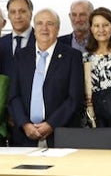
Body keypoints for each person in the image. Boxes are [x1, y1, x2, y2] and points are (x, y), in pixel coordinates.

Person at [7, 9, 84, 146]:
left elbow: (74, 98)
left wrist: (51, 124)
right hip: (25, 136)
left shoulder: (72, 56)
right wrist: (24, 124)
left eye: (50, 23)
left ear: (58, 28)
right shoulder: (21, 56)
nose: (44, 28)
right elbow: (13, 96)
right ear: (34, 28)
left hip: (60, 134)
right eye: (39, 23)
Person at [0, 0, 35, 76]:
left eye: (22, 11)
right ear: (8, 16)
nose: (17, 16)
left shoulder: (41, 41)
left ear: (31, 14)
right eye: (13, 12)